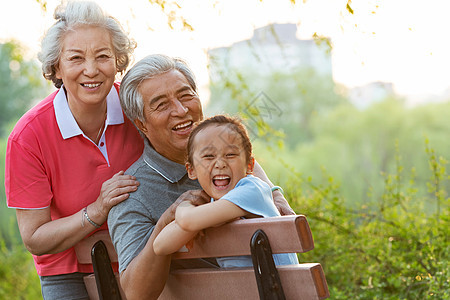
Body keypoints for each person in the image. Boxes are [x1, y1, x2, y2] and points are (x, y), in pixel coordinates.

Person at [108, 54, 295, 299]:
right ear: (142, 124)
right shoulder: (132, 195)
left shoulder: (230, 161)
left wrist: (274, 192)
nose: (181, 109)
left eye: (186, 95)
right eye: (162, 104)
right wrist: (166, 221)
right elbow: (136, 293)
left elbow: (258, 183)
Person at [4, 1, 143, 299]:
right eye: (76, 58)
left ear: (118, 62)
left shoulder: (140, 105)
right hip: (68, 271)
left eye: (103, 56)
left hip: (143, 253)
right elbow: (35, 238)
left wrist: (269, 189)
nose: (91, 70)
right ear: (56, 66)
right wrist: (97, 209)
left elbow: (211, 143)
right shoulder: (28, 137)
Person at [153, 114, 299, 268]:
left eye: (230, 155)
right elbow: (160, 246)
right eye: (209, 156)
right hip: (253, 290)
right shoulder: (211, 208)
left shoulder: (252, 190)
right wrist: (192, 220)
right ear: (192, 170)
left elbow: (187, 221)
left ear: (249, 165)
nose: (220, 164)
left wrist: (184, 207)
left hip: (277, 290)